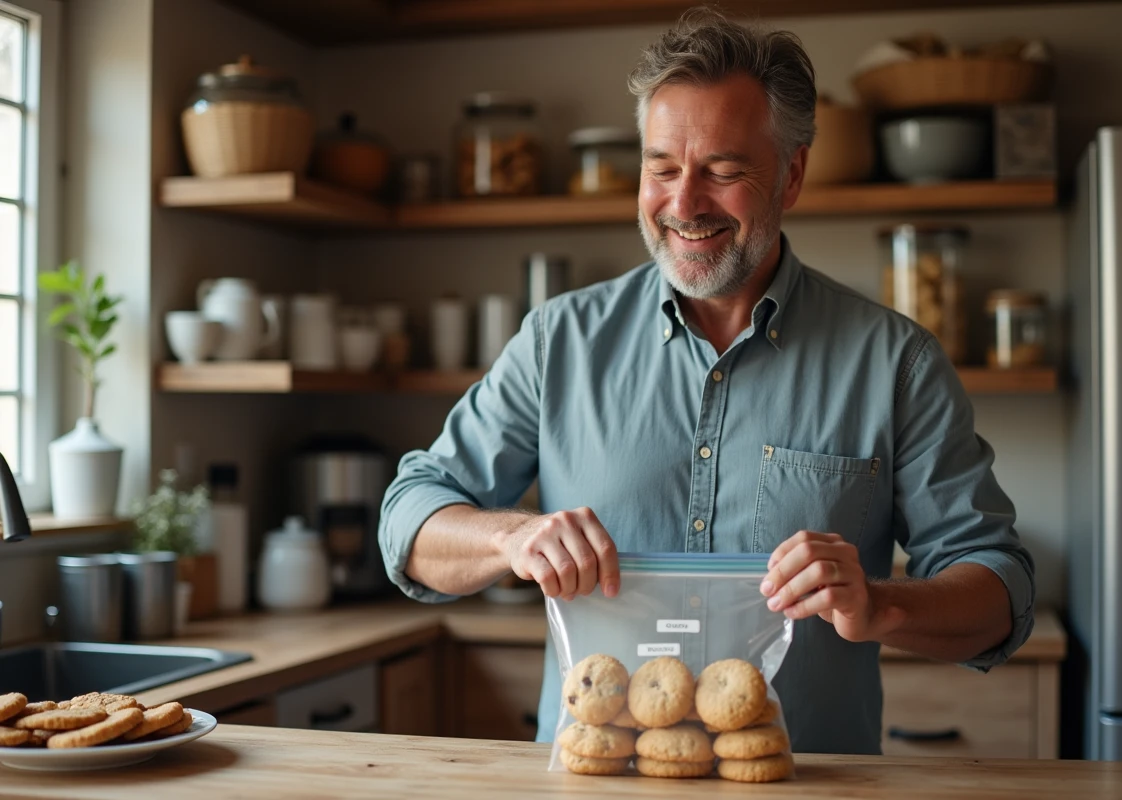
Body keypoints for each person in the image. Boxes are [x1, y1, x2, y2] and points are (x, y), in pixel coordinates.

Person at [379, 8, 1034, 755]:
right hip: (598, 783)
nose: (683, 204)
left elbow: (1000, 588)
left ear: (791, 173)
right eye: (661, 168)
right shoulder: (558, 341)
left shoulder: (895, 362)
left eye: (722, 172)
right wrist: (515, 537)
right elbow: (408, 519)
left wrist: (878, 604)